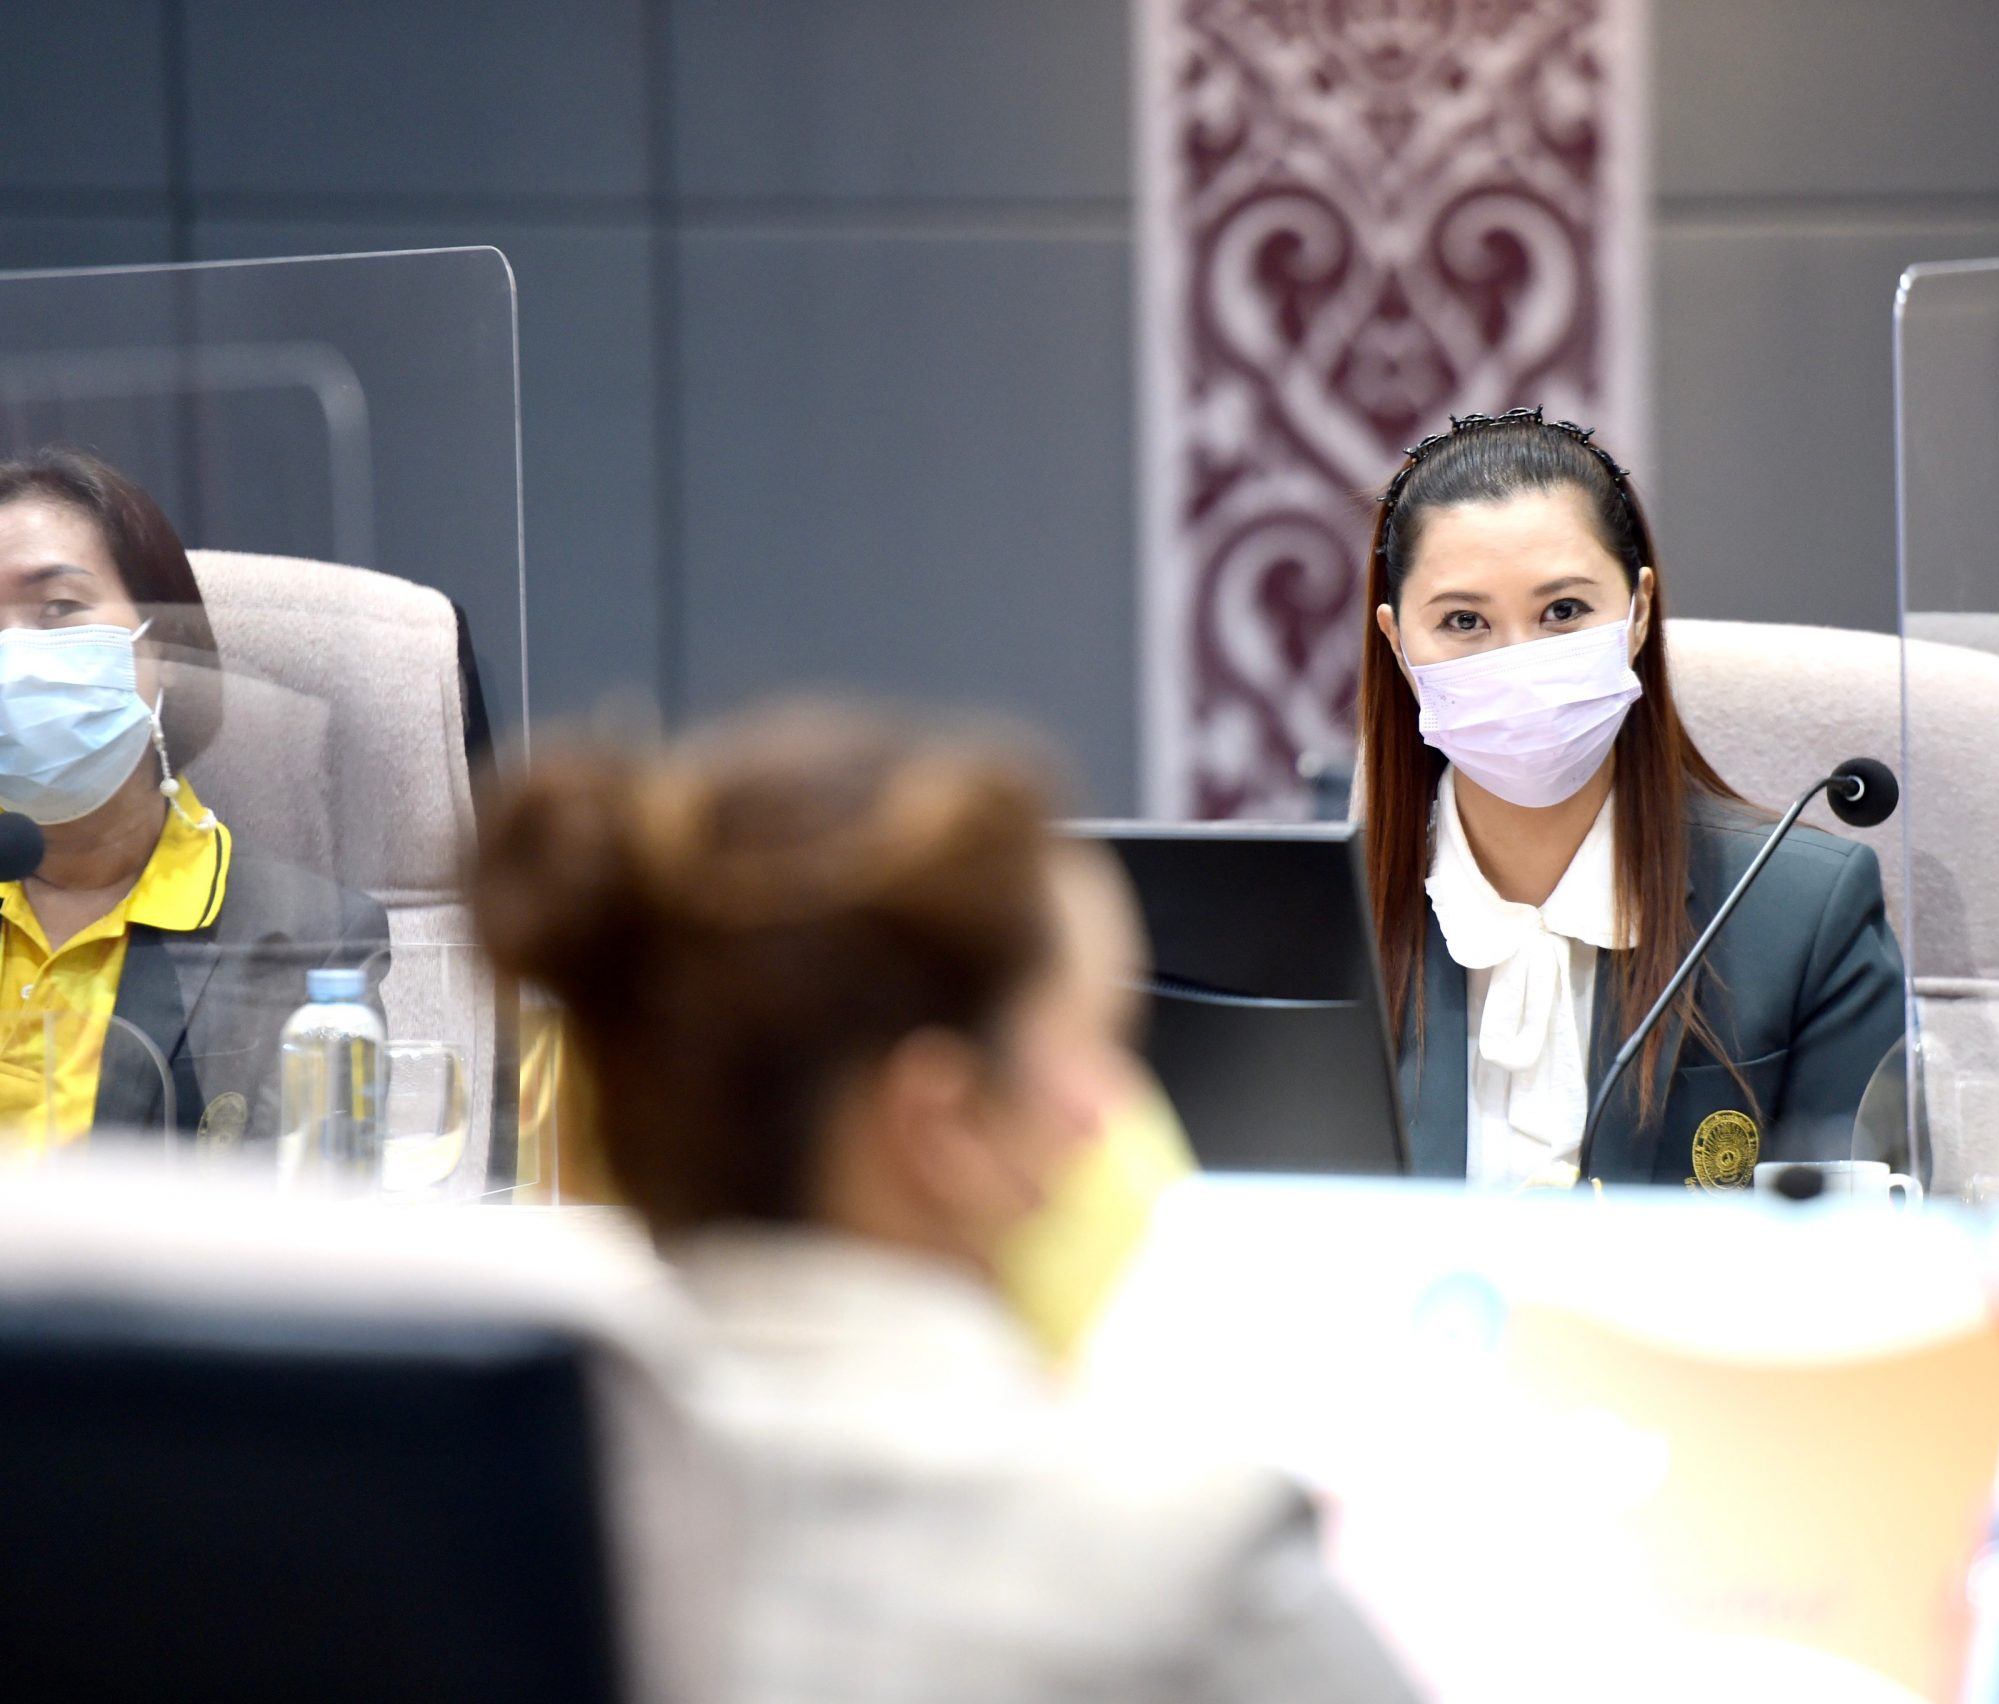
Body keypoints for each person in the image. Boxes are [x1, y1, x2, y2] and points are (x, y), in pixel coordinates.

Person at [472, 701, 1416, 1704]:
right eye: (1099, 1044)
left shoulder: (490, 1514)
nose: (1120, 1110)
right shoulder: (1188, 1558)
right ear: (945, 1124)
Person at [1360, 407, 1904, 1188]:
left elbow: (1864, 1240)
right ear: (1398, 644)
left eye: (1563, 612)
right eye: (1464, 621)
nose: (1520, 662)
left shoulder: (1805, 915)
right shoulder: (1317, 930)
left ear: (1639, 613)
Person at [0, 447, 385, 1150]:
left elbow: (298, 1197)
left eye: (58, 608)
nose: (11, 658)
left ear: (168, 647)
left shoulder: (302, 935)